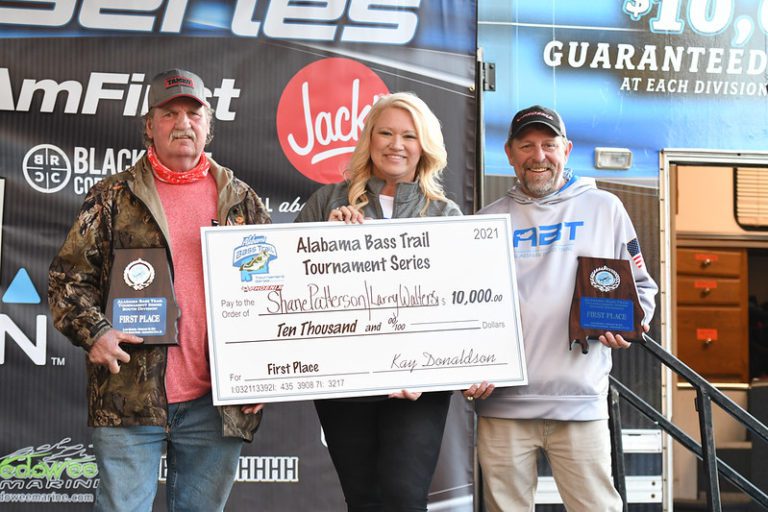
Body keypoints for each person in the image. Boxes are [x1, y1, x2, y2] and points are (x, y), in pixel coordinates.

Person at [48, 69, 270, 512]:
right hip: (129, 396)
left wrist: (260, 372)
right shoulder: (112, 196)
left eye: (193, 114)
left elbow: (270, 294)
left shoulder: (241, 201)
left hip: (215, 402)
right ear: (149, 126)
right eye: (169, 114)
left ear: (208, 126)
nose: (183, 123)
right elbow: (67, 281)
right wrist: (96, 333)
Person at [465, 105, 658, 512]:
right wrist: (467, 365)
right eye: (526, 146)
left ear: (566, 150)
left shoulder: (605, 208)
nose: (539, 156)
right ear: (509, 153)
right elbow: (466, 308)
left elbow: (641, 289)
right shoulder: (485, 221)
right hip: (503, 406)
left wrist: (628, 324)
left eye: (548, 145)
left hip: (579, 402)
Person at [294, 92, 461, 512]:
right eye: (385, 133)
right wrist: (322, 239)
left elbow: (458, 307)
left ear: (425, 145)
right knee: (363, 500)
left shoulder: (445, 215)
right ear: (369, 139)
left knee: (405, 498)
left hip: (418, 387)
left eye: (409, 135)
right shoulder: (327, 201)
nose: (396, 144)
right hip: (345, 380)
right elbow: (290, 285)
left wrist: (429, 367)